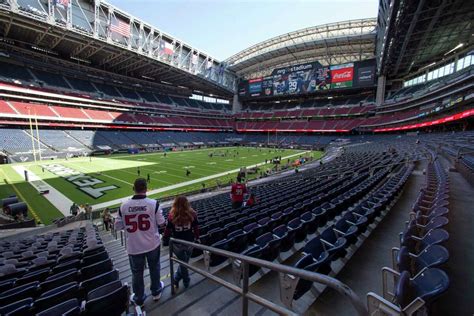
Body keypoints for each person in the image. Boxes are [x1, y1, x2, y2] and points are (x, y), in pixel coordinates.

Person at [115, 178, 166, 306]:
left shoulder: (124, 206)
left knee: (137, 273)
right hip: (152, 244)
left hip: (134, 246)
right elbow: (161, 223)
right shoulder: (153, 203)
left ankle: (139, 299)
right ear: (146, 188)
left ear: (133, 188)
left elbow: (117, 227)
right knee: (154, 268)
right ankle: (156, 292)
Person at [163, 196, 199, 289]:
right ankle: (186, 280)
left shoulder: (171, 215)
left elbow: (167, 230)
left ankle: (177, 279)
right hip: (189, 242)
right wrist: (197, 238)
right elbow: (196, 228)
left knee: (183, 263)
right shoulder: (193, 214)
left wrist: (165, 239)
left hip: (177, 243)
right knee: (184, 263)